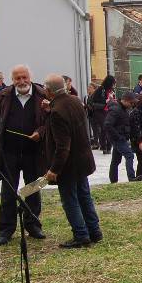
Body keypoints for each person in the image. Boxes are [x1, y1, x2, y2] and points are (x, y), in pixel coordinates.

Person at [0, 65, 48, 245]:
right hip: (9, 153)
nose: (21, 81)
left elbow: (50, 121)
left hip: (33, 153)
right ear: (12, 79)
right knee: (7, 191)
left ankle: (33, 225)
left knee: (32, 189)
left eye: (24, 77)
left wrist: (40, 132)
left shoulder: (42, 95)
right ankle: (6, 230)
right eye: (17, 78)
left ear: (30, 77)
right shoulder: (3, 96)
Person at [42, 74, 101, 248]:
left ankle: (81, 235)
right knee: (84, 196)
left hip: (69, 164)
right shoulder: (75, 101)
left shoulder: (57, 112)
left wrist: (54, 169)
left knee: (70, 200)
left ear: (48, 91)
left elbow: (62, 146)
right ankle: (94, 231)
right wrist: (50, 108)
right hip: (83, 160)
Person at [105, 92, 136, 183]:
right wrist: (118, 136)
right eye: (131, 103)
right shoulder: (116, 110)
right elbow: (107, 124)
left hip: (120, 137)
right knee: (129, 155)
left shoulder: (123, 109)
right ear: (125, 101)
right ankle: (131, 178)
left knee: (116, 160)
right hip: (118, 138)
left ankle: (113, 180)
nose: (132, 105)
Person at [90, 76, 116, 153]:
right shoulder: (100, 89)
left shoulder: (112, 90)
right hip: (101, 112)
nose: (114, 85)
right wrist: (106, 101)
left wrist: (113, 100)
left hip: (110, 111)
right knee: (104, 128)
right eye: (113, 83)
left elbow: (114, 100)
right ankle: (104, 146)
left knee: (109, 128)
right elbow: (94, 101)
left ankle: (108, 147)